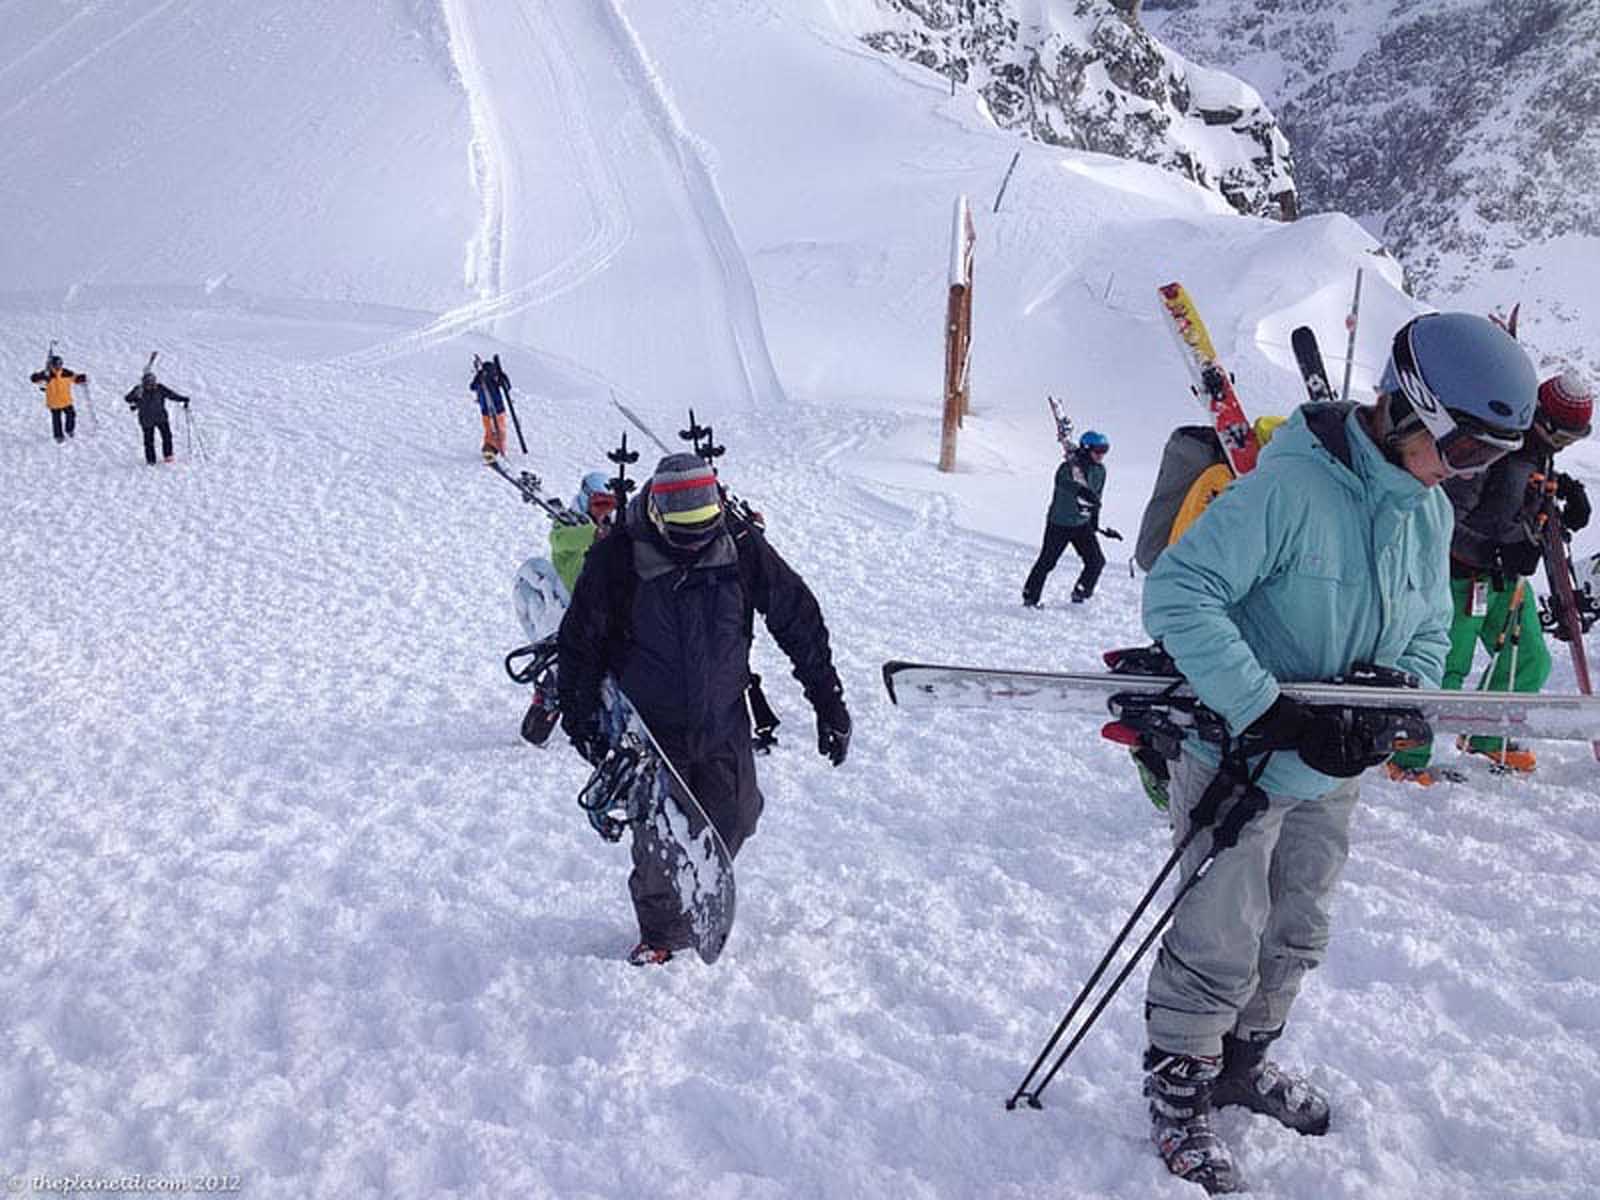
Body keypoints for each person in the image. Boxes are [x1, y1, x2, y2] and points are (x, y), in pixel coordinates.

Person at [1137, 311, 1536, 1194]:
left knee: (1297, 927)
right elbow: (1179, 593)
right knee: (1220, 930)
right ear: (1410, 414)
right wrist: (1268, 708)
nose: (1469, 477)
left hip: (1332, 765)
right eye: (1466, 452)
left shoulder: (1426, 513)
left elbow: (1431, 628)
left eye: (1488, 462)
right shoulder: (1289, 491)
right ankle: (1181, 1089)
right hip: (1240, 752)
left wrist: (1393, 702)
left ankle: (1242, 1061)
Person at [557, 452, 849, 966]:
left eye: (704, 529)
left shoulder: (739, 544)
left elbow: (796, 616)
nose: (694, 544)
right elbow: (580, 641)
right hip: (650, 728)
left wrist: (827, 701)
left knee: (736, 813)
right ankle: (661, 933)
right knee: (661, 836)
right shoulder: (617, 559)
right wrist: (583, 722)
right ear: (657, 516)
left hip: (723, 717)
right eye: (683, 533)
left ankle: (698, 884)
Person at [1387, 370, 1592, 782]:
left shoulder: (1536, 452)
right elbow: (1441, 522)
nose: (1567, 446)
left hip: (1507, 579)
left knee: (1531, 658)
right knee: (1447, 666)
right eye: (1566, 437)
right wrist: (1495, 551)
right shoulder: (1486, 452)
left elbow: (1521, 497)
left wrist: (1560, 491)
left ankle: (1485, 735)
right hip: (1462, 578)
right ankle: (1407, 755)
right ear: (1543, 423)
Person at [516, 472, 620, 745]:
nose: (605, 511)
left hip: (604, 609)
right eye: (599, 504)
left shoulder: (614, 525)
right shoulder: (568, 528)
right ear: (586, 499)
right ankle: (548, 704)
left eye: (611, 504)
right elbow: (560, 541)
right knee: (565, 669)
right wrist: (594, 533)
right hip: (569, 608)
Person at [1022, 430, 1111, 607]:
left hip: (1081, 524)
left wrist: (1094, 520)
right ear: (1086, 449)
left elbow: (1097, 497)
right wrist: (1081, 491)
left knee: (1096, 561)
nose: (1101, 455)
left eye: (1105, 450)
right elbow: (1063, 483)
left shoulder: (1100, 471)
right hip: (1059, 523)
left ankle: (1081, 592)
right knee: (1047, 561)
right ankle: (1030, 597)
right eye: (1098, 450)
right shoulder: (1068, 468)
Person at [123, 367, 190, 465]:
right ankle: (151, 460)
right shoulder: (139, 390)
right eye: (148, 384)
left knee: (167, 437)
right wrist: (135, 395)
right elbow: (128, 399)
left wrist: (183, 399)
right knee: (149, 441)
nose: (151, 386)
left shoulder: (160, 388)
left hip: (161, 417)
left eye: (152, 383)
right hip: (146, 420)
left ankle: (168, 456)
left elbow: (172, 395)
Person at [29, 354, 89, 443]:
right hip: (54, 402)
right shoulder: (47, 374)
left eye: (60, 364)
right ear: (51, 365)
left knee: (71, 415)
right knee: (56, 420)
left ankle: (69, 430)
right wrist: (38, 377)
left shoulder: (66, 373)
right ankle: (58, 436)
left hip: (66, 401)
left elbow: (75, 378)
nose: (58, 366)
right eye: (56, 365)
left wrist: (81, 378)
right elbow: (34, 379)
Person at [470, 356, 510, 460]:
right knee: (489, 429)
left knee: (499, 429)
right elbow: (472, 386)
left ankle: (499, 447)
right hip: (486, 410)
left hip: (498, 409)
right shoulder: (481, 380)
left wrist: (502, 377)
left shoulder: (495, 379)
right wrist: (479, 377)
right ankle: (489, 447)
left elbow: (506, 386)